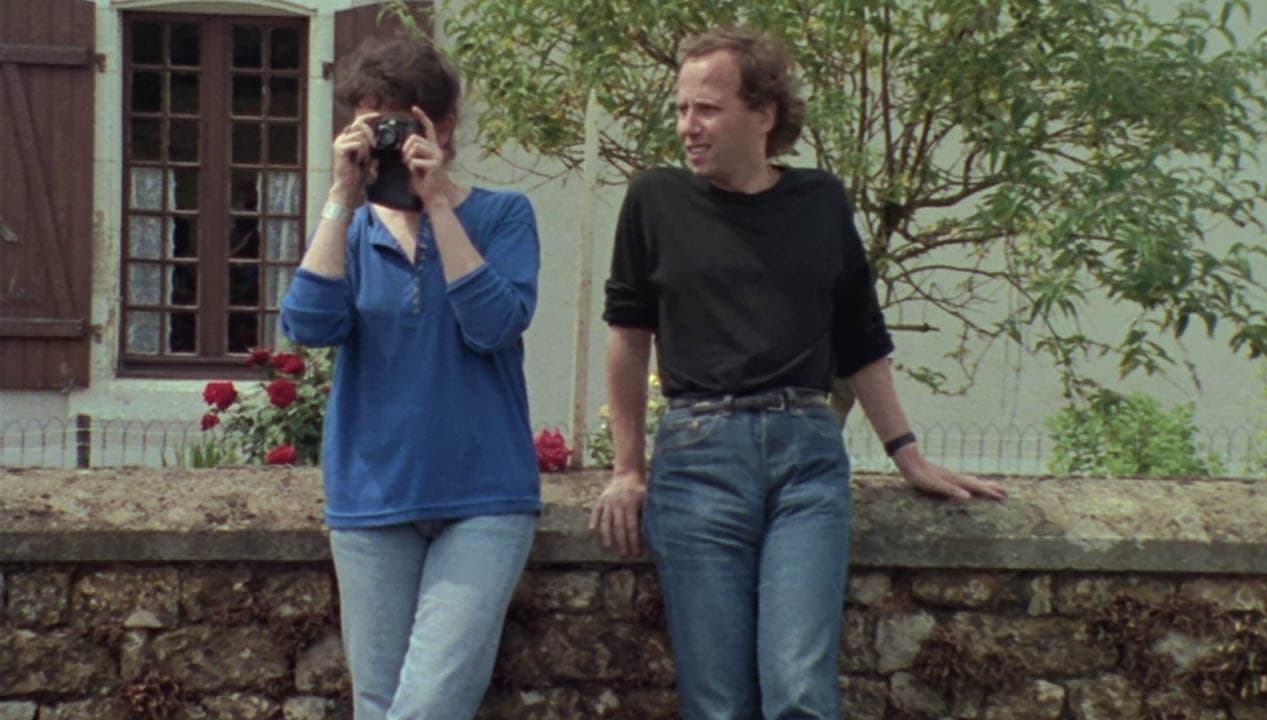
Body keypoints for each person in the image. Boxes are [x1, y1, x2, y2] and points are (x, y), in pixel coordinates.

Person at [589, 27, 1006, 719]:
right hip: (698, 460)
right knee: (717, 702)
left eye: (706, 109)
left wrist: (908, 455)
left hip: (806, 460)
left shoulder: (819, 201)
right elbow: (628, 339)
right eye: (681, 109)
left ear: (764, 112)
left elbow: (859, 338)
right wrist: (627, 467)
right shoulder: (655, 200)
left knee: (798, 692)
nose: (687, 127)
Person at [280, 35, 541, 720]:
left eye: (399, 122)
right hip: (371, 498)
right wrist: (342, 194)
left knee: (427, 705)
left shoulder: (502, 215)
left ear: (442, 125)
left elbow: (492, 326)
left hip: (484, 496)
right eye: (372, 124)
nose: (388, 142)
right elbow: (308, 325)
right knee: (379, 704)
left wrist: (438, 206)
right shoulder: (354, 230)